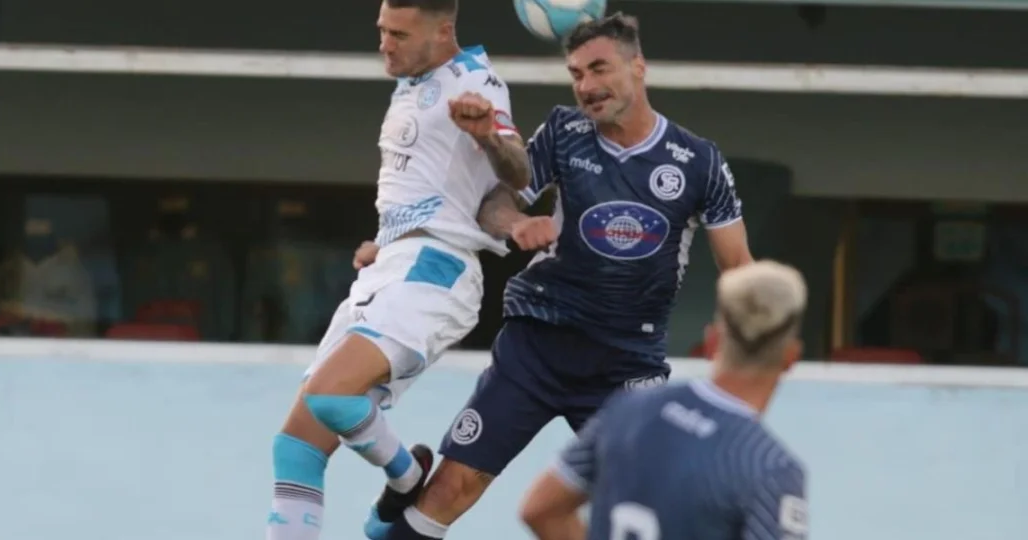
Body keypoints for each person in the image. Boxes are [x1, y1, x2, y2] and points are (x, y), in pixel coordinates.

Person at [358, 12, 756, 540]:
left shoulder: (698, 162)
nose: (586, 86)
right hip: (537, 347)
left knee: (654, 505)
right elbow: (495, 203)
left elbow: (739, 270)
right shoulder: (565, 132)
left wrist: (745, 361)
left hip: (627, 366)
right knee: (453, 488)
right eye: (576, 74)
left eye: (599, 69)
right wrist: (517, 223)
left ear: (638, 66)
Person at [263, 0, 535, 539]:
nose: (384, 44)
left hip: (435, 271)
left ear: (444, 30)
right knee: (294, 446)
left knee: (329, 395)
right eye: (382, 30)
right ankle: (397, 490)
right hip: (392, 267)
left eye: (399, 35)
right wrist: (386, 242)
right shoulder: (412, 83)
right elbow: (429, 187)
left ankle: (407, 477)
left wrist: (486, 134)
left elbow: (519, 170)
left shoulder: (475, 80)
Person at [519, 260, 809, 540]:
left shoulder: (629, 407)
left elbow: (541, 510)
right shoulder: (770, 466)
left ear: (711, 341)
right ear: (791, 357)